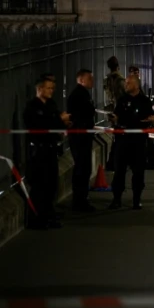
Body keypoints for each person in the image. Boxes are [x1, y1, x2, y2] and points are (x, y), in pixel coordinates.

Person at [24, 76, 70, 229]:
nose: (51, 91)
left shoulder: (51, 105)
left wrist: (63, 126)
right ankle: (36, 219)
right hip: (38, 151)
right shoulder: (31, 108)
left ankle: (48, 215)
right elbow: (39, 126)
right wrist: (58, 120)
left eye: (52, 88)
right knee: (39, 186)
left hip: (51, 149)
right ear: (40, 89)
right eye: (48, 88)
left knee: (51, 184)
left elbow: (55, 123)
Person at [108, 75, 154, 210]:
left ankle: (136, 199)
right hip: (123, 140)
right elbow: (117, 115)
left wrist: (153, 119)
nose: (126, 85)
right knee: (119, 171)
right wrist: (114, 118)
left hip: (138, 142)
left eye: (128, 83)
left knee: (138, 172)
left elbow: (151, 117)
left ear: (136, 85)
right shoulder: (122, 100)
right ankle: (116, 199)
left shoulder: (144, 101)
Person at [67, 69, 97, 212]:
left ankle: (81, 199)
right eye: (90, 78)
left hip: (82, 136)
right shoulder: (79, 95)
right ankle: (79, 201)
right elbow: (83, 115)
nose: (92, 81)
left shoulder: (82, 94)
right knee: (82, 168)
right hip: (80, 137)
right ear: (82, 80)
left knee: (84, 167)